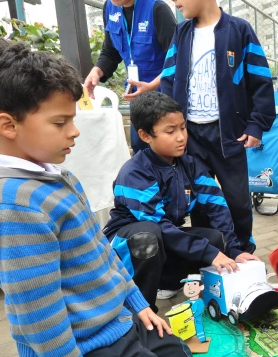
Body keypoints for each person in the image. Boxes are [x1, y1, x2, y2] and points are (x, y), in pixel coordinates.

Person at [0, 39, 198, 357]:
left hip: (110, 324)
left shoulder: (53, 175)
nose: (74, 132)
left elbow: (100, 254)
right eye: (60, 122)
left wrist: (138, 304)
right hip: (82, 346)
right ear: (7, 125)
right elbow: (39, 315)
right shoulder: (11, 207)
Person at [160, 0, 275, 253]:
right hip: (191, 136)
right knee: (198, 199)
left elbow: (261, 83)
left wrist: (256, 124)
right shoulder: (181, 34)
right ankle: (207, 257)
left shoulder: (239, 31)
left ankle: (244, 254)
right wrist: (170, 127)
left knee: (237, 199)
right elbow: (169, 81)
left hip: (229, 136)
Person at [103, 92, 258, 310]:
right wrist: (209, 253)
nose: (181, 137)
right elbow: (157, 224)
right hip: (127, 246)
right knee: (148, 236)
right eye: (170, 131)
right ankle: (140, 314)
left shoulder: (190, 165)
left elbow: (217, 206)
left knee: (214, 238)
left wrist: (233, 250)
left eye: (182, 128)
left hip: (160, 239)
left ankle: (167, 283)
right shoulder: (135, 173)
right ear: (145, 135)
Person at [84, 0, 177, 153]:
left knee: (166, 153)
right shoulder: (109, 9)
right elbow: (111, 52)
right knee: (139, 148)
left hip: (164, 97)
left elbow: (177, 60)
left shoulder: (156, 9)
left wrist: (152, 85)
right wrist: (96, 71)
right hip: (138, 98)